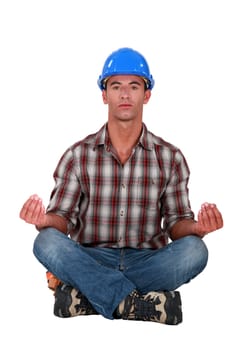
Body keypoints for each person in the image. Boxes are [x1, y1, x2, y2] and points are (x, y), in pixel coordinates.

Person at [19, 47, 223, 325]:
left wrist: (197, 228)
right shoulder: (77, 155)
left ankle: (84, 297)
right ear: (105, 95)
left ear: (146, 95)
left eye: (134, 86)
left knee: (196, 250)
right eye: (116, 86)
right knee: (45, 241)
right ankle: (140, 303)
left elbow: (177, 226)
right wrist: (44, 220)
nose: (125, 95)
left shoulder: (170, 157)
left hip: (148, 260)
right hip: (92, 256)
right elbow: (62, 222)